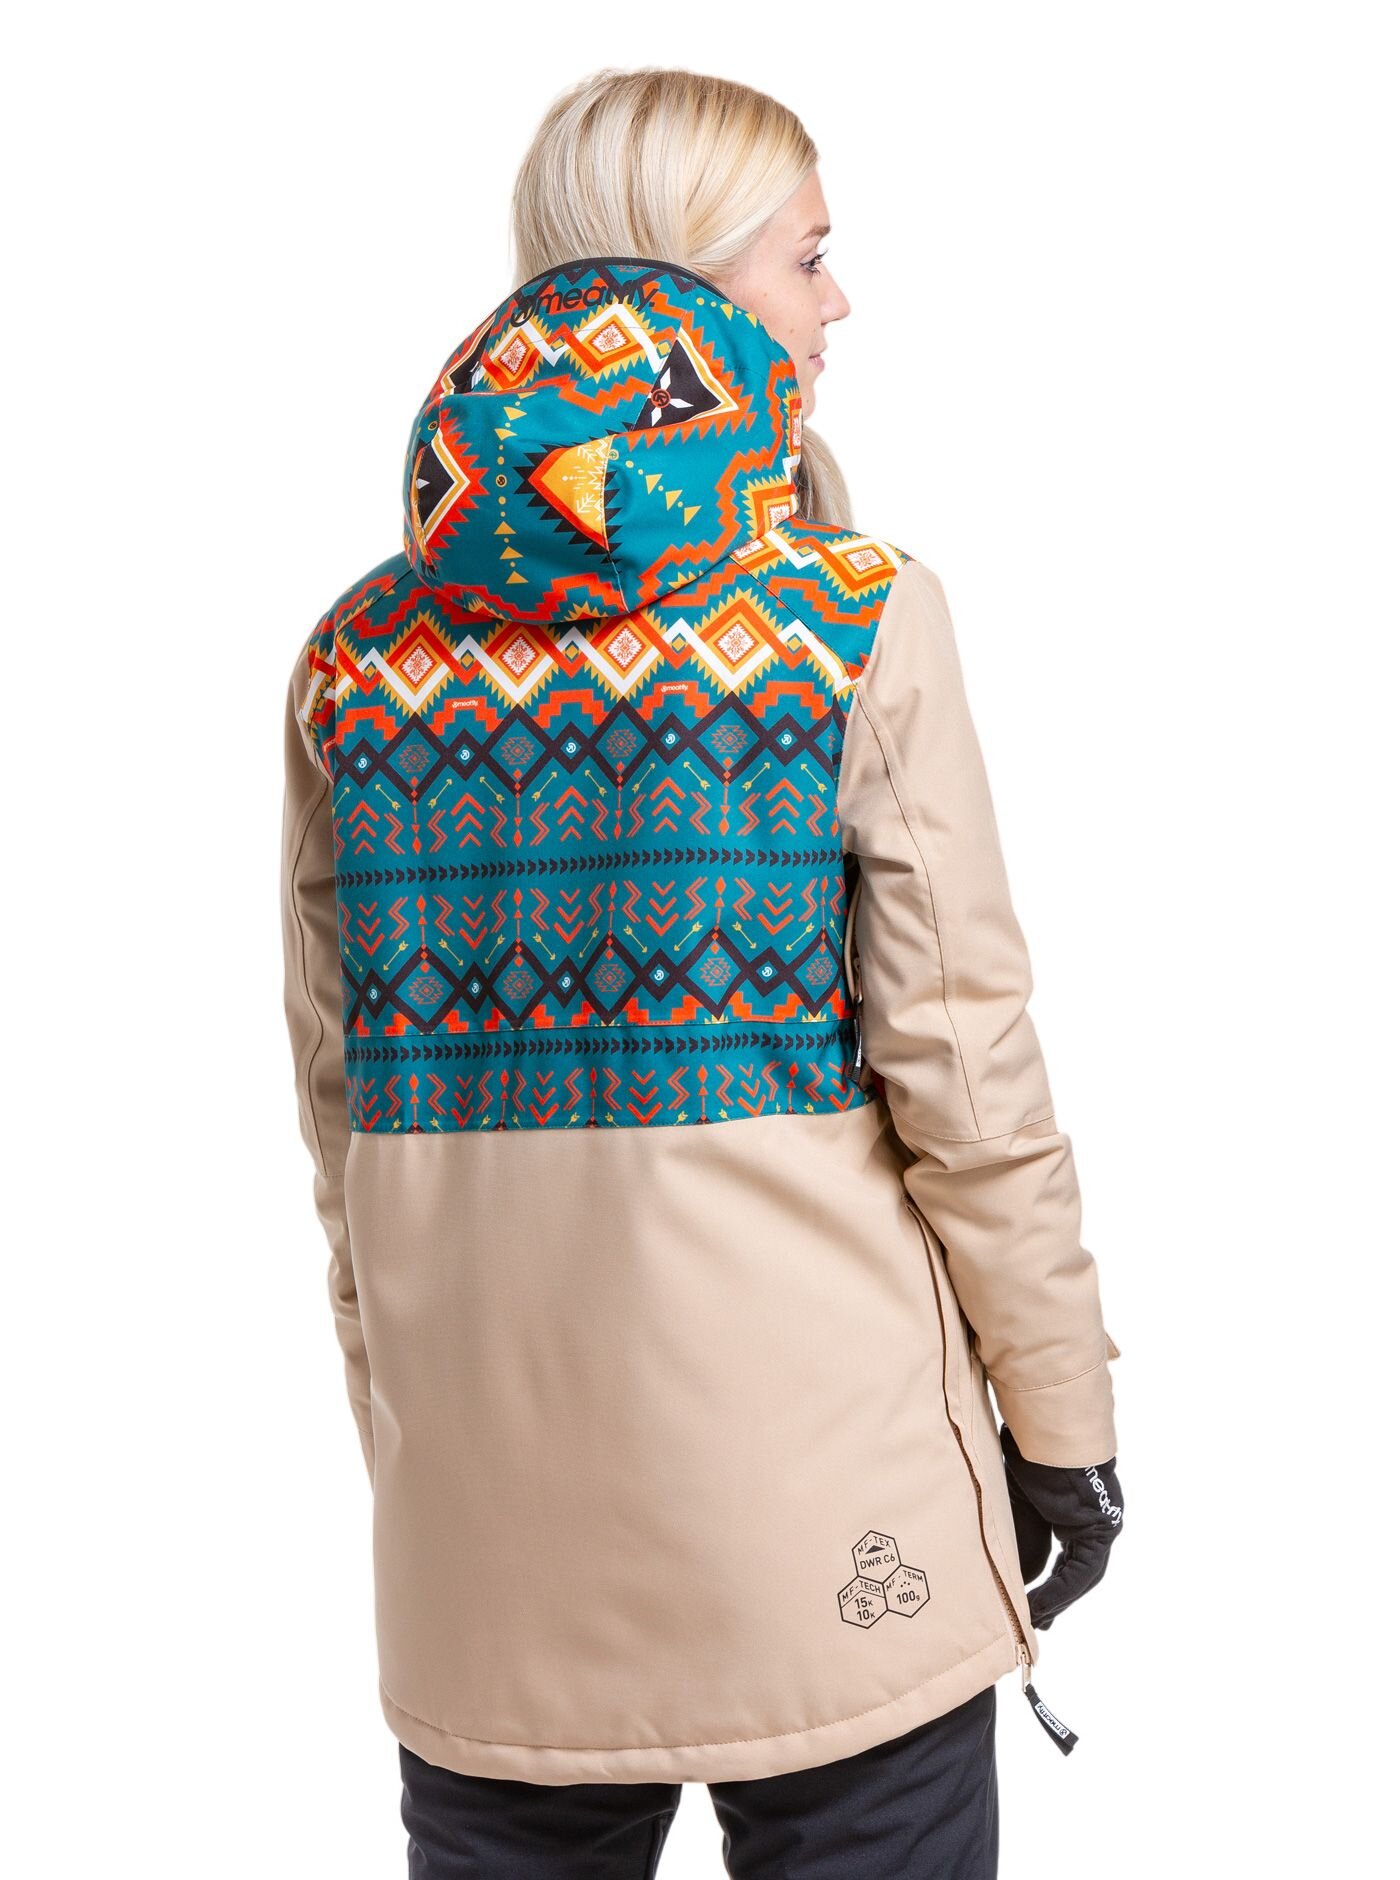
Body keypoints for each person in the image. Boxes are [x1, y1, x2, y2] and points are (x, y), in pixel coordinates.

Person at [279, 65, 1126, 1879]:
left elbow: (343, 1129)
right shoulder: (854, 620)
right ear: (693, 277)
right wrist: (1064, 1425)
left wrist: (418, 1460)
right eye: (808, 258)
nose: (841, 302)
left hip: (484, 1553)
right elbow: (971, 1082)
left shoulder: (355, 660)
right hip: (834, 1533)